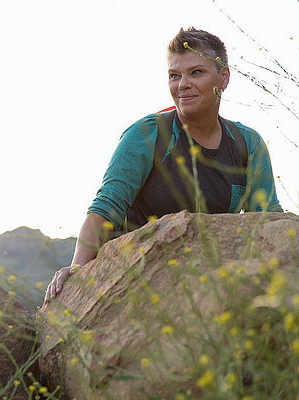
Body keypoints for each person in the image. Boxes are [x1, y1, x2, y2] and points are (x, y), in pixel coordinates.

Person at [44, 27, 283, 304]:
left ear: (224, 77)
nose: (182, 84)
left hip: (208, 288)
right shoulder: (147, 133)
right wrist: (77, 269)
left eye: (196, 73)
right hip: (133, 281)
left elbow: (267, 221)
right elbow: (105, 208)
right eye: (174, 75)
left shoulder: (247, 144)